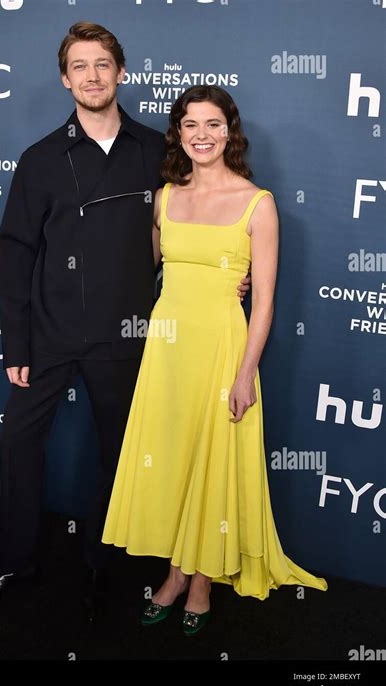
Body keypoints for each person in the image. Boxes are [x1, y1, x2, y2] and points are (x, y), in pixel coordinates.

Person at [0, 24, 251, 621]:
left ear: (121, 72)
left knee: (119, 455)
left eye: (102, 64)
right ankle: (16, 563)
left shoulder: (156, 153)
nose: (92, 75)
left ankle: (100, 566)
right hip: (50, 334)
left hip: (129, 340)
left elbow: (195, 220)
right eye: (79, 66)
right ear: (66, 79)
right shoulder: (39, 159)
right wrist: (17, 339)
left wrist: (227, 270)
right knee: (17, 445)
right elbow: (14, 251)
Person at [102, 85, 328, 635]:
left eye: (213, 124)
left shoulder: (258, 203)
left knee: (213, 462)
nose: (202, 135)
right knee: (177, 460)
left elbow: (267, 299)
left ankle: (199, 580)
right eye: (190, 125)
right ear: (178, 133)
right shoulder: (165, 197)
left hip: (223, 347)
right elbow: (145, 268)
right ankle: (176, 575)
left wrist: (246, 373)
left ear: (231, 132)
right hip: (167, 348)